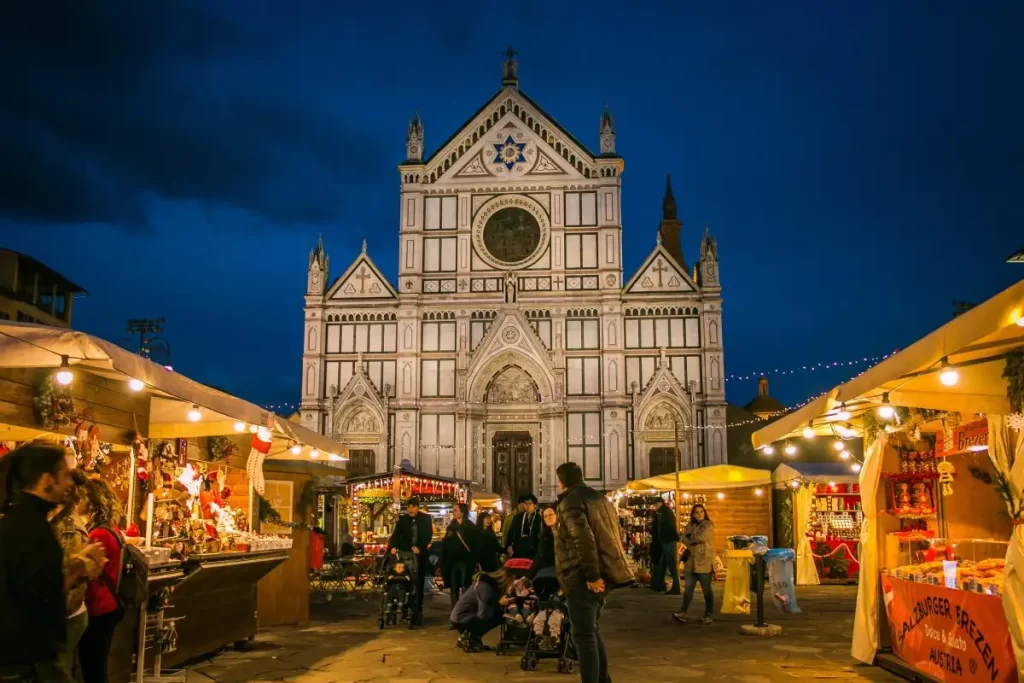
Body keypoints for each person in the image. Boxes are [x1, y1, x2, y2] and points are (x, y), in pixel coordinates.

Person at [0, 443, 106, 683]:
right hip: (29, 665)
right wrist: (80, 566)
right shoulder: (31, 528)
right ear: (47, 480)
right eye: (64, 475)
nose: (70, 483)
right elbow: (40, 592)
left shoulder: (19, 521)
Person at [554, 462, 633, 683]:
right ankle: (602, 678)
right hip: (603, 572)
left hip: (581, 576)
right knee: (591, 630)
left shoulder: (570, 501)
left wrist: (591, 576)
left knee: (584, 635)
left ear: (561, 481)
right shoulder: (601, 499)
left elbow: (583, 538)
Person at [78, 478, 125, 683]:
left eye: (80, 497)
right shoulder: (112, 529)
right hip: (110, 604)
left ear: (90, 501)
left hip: (98, 606)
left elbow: (90, 573)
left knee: (93, 668)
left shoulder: (97, 533)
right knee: (97, 664)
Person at [51, 469, 92, 680]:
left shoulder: (69, 527)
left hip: (66, 615)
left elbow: (72, 576)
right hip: (64, 613)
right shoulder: (58, 519)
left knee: (57, 672)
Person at [387, 497, 434, 625]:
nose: (411, 509)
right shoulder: (403, 520)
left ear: (418, 507)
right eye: (409, 507)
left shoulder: (425, 519)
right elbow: (396, 535)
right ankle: (404, 608)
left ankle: (418, 609)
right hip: (405, 555)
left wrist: (420, 546)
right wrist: (393, 547)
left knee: (418, 582)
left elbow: (428, 534)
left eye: (413, 507)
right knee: (404, 580)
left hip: (420, 555)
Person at [449, 568, 514, 652]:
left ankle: (472, 638)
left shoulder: (492, 586)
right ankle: (469, 637)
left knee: (498, 615)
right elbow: (482, 613)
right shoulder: (485, 586)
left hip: (466, 616)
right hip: (461, 618)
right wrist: (499, 604)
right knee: (497, 617)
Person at [673, 503, 716, 625]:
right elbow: (683, 538)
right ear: (693, 514)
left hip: (704, 560)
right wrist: (689, 538)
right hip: (691, 561)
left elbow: (701, 538)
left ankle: (708, 613)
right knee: (688, 589)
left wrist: (689, 537)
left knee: (706, 590)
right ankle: (683, 611)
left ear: (704, 513)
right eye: (696, 512)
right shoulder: (690, 525)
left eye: (701, 511)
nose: (699, 514)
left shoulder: (708, 525)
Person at [441, 503, 476, 608]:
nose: (453, 512)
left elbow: (475, 545)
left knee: (465, 586)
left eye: (455, 510)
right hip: (452, 561)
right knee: (454, 587)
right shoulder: (451, 527)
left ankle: (465, 611)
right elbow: (446, 545)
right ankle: (455, 614)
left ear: (462, 512)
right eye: (453, 510)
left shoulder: (470, 527)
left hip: (465, 561)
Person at [649, 498, 680, 595]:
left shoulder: (663, 513)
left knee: (671, 565)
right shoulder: (664, 512)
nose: (654, 506)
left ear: (660, 503)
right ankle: (660, 585)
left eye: (655, 504)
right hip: (666, 541)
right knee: (664, 564)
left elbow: (665, 528)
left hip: (667, 542)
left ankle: (676, 587)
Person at [525, 505, 556, 582]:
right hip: (548, 569)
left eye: (550, 515)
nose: (548, 517)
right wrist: (527, 577)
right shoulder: (544, 534)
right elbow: (540, 555)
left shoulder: (565, 532)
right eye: (545, 516)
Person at [505, 494, 541, 559]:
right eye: (525, 503)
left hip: (533, 551)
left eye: (529, 503)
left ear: (535, 505)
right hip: (518, 550)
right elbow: (511, 532)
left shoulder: (539, 519)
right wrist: (509, 545)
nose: (527, 506)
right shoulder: (517, 517)